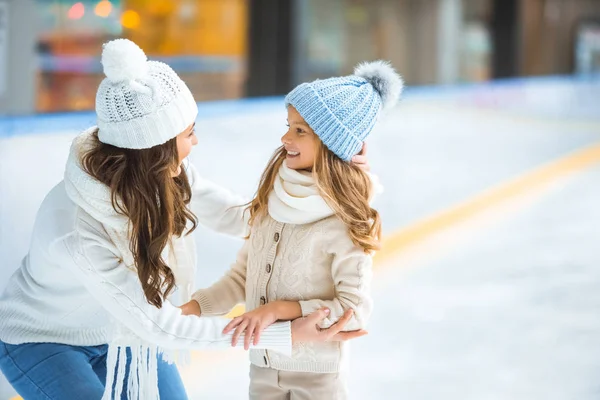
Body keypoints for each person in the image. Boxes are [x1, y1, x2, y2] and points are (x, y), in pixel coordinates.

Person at [0, 39, 368, 400]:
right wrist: (283, 334)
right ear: (155, 146)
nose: (196, 142)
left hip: (123, 332)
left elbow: (245, 219)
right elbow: (160, 326)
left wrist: (331, 178)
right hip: (45, 339)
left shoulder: (164, 175)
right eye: (188, 133)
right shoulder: (79, 231)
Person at [188, 60, 403, 399]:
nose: (285, 137)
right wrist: (194, 308)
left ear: (333, 144)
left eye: (300, 131)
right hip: (262, 368)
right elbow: (242, 278)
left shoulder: (345, 220)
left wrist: (278, 310)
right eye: (288, 126)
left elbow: (354, 310)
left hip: (317, 378)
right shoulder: (272, 203)